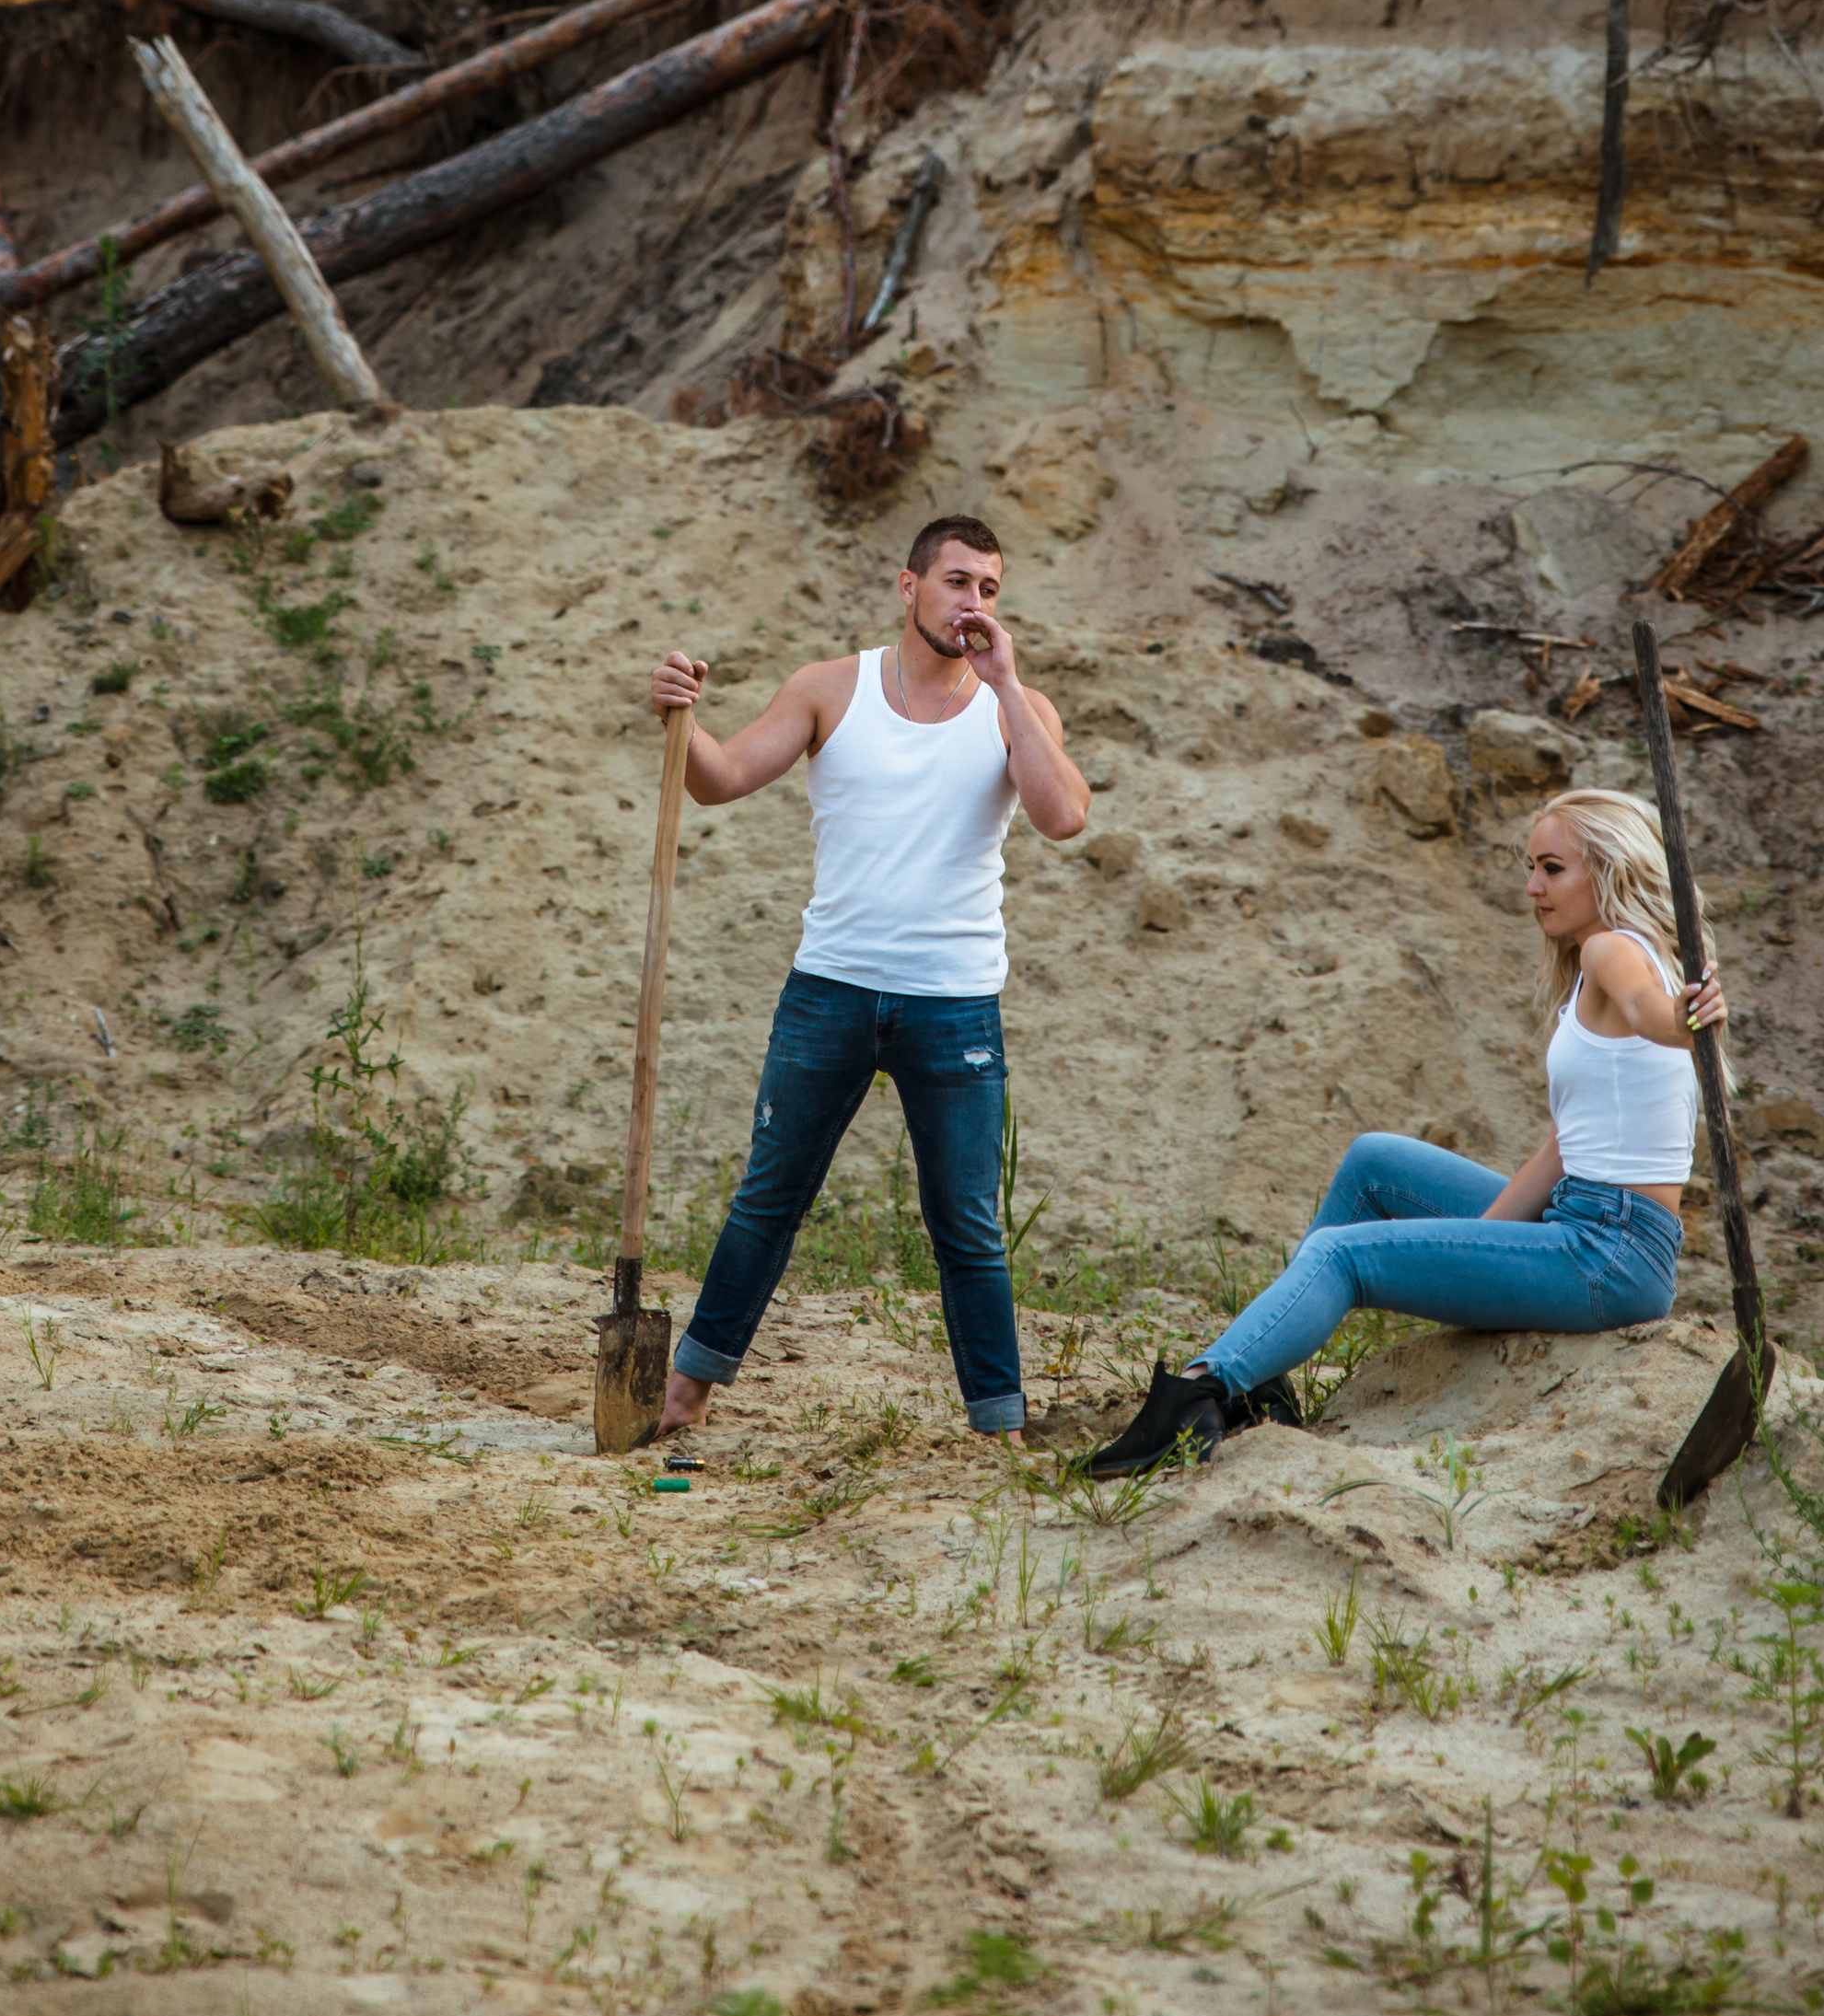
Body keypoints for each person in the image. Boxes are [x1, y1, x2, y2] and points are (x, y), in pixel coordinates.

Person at [1087, 786, 1730, 1477]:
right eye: (1531, 865)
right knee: (1374, 1162)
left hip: (1610, 1251)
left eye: (1552, 868)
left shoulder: (1613, 950)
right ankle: (1258, 1378)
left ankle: (1200, 1393)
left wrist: (1687, 1017)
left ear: (1607, 871)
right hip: (1585, 1221)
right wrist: (1472, 1251)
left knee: (1342, 1256)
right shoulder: (1600, 964)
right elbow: (1560, 1146)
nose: (1531, 885)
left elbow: (1651, 1012)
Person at [645, 515, 1089, 1450]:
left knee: (967, 1226)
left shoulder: (1016, 705)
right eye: (958, 582)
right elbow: (719, 779)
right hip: (831, 989)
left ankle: (997, 1426)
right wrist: (682, 718)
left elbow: (1062, 817)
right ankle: (684, 1395)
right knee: (769, 1199)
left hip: (955, 1000)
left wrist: (1007, 685)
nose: (973, 604)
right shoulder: (828, 689)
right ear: (908, 586)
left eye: (989, 590)